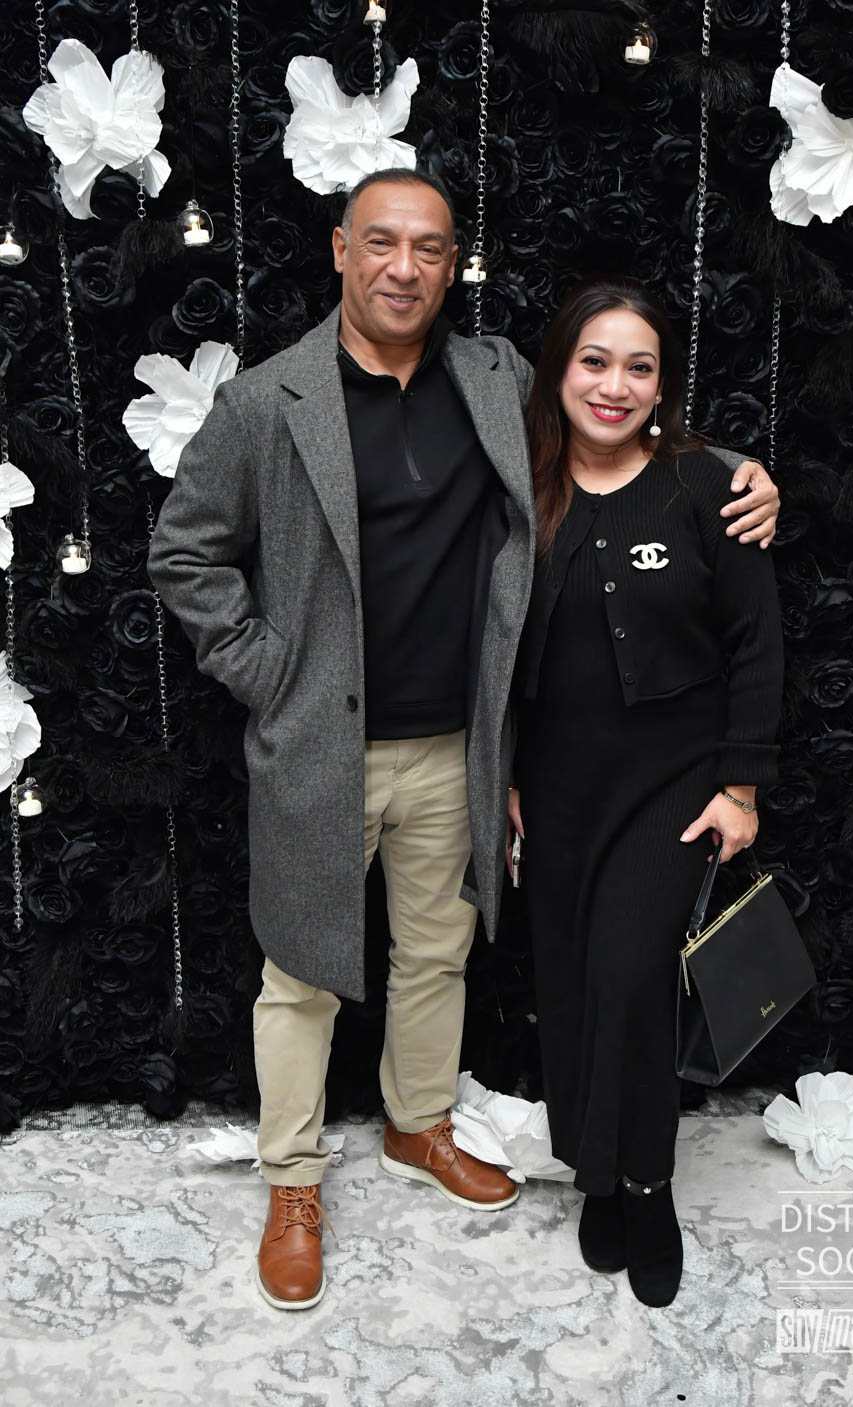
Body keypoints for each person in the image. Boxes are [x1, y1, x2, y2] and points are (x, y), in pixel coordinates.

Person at [147, 170, 780, 1312]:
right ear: (341, 250)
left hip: (461, 748)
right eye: (382, 243)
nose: (404, 267)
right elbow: (184, 554)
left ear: (450, 267)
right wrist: (270, 675)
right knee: (300, 975)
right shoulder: (265, 401)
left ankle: (417, 1124)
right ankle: (292, 1181)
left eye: (429, 248)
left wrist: (743, 474)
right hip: (320, 746)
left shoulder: (494, 379)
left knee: (437, 954)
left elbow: (622, 418)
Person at [508, 276, 784, 1309]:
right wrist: (506, 779)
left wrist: (740, 787)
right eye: (594, 361)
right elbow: (492, 651)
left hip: (672, 787)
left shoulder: (709, 486)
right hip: (555, 790)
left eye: (639, 367)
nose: (613, 385)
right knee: (571, 984)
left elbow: (756, 644)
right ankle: (595, 1171)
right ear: (558, 371)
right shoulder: (518, 488)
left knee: (630, 983)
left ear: (662, 386)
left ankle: (647, 1185)